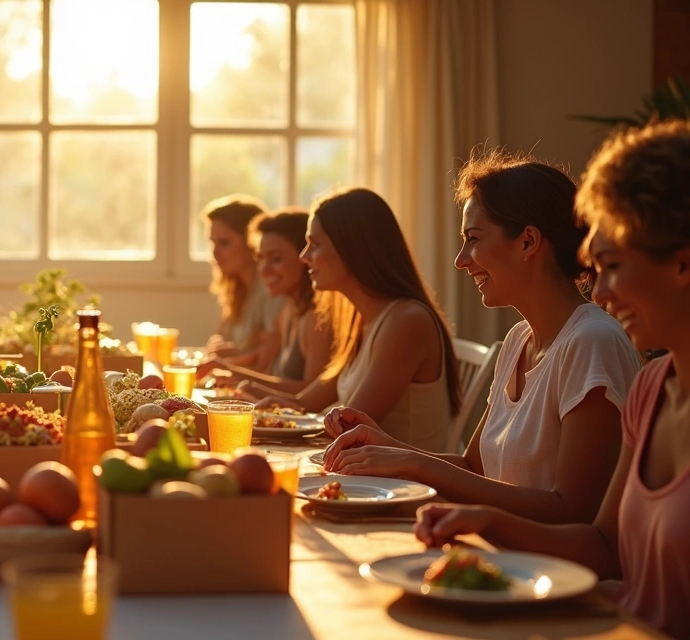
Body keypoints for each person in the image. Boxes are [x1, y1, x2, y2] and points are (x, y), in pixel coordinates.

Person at [414, 120, 690, 638]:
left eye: (612, 265)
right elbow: (605, 550)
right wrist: (481, 518)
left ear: (681, 262)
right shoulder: (653, 388)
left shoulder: (594, 341)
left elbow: (574, 515)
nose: (601, 293)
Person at [320, 150, 642, 524]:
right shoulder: (519, 339)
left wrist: (410, 462)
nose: (460, 259)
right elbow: (475, 467)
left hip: (547, 576)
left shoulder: (592, 343)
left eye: (473, 239)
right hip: (498, 555)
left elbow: (572, 512)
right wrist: (386, 448)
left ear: (527, 242)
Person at [256, 188, 460, 452]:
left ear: (353, 248)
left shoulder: (405, 322)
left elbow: (345, 430)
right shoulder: (360, 320)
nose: (304, 256)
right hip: (366, 477)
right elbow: (305, 403)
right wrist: (247, 405)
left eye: (315, 245)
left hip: (403, 487)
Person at [204, 208, 333, 396]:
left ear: (305, 257)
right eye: (261, 258)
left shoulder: (316, 318)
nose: (263, 270)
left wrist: (239, 377)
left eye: (276, 259)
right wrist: (231, 373)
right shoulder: (289, 309)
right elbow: (265, 367)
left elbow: (313, 395)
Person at [201, 195, 283, 370]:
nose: (215, 253)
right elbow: (216, 342)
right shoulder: (235, 288)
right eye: (212, 243)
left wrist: (234, 355)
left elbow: (266, 363)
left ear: (251, 243)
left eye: (224, 243)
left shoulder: (272, 290)